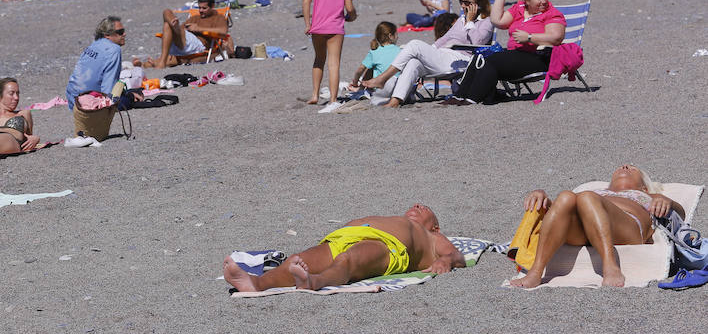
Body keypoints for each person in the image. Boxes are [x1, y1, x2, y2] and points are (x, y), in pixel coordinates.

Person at [509, 165, 684, 288]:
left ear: (644, 186)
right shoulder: (597, 192)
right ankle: (536, 271)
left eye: (633, 169)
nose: (624, 167)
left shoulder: (648, 195)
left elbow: (681, 214)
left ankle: (610, 265)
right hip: (586, 227)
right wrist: (543, 199)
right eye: (620, 167)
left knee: (586, 197)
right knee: (565, 197)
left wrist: (667, 201)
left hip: (627, 228)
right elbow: (562, 212)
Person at [222, 204, 466, 292]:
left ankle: (314, 282)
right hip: (346, 236)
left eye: (424, 207)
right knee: (297, 259)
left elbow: (456, 255)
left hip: (389, 246)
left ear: (435, 226)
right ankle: (256, 284)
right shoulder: (397, 219)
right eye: (416, 204)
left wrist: (445, 261)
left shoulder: (431, 235)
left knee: (349, 261)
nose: (416, 205)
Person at [365, 0, 492, 107]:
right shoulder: (461, 19)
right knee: (414, 62)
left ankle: (383, 78)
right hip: (444, 56)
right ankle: (395, 101)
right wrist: (429, 50)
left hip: (463, 60)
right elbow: (445, 38)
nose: (463, 5)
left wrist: (470, 22)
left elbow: (478, 42)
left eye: (467, 3)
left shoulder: (487, 22)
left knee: (415, 44)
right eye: (461, 1)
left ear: (479, 4)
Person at [443, 0, 565, 105]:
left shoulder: (551, 13)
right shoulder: (520, 8)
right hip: (515, 55)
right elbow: (497, 21)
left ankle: (473, 98)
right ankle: (460, 95)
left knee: (491, 61)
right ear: (527, 0)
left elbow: (556, 37)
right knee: (478, 58)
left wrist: (529, 37)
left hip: (537, 58)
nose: (544, 1)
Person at [66, 17, 140, 143]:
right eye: (120, 32)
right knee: (130, 97)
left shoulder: (94, 44)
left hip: (72, 97)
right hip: (88, 104)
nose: (124, 34)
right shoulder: (114, 50)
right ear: (107, 35)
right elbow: (108, 89)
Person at [303, 0, 357, 110]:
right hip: (335, 27)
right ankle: (333, 98)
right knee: (334, 64)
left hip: (317, 27)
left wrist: (308, 23)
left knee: (319, 59)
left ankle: (314, 94)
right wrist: (352, 16)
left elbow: (306, 2)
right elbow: (350, 8)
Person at [146, 0, 230, 68]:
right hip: (184, 42)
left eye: (204, 8)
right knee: (167, 12)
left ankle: (161, 61)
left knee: (169, 26)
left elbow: (223, 31)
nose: (201, 10)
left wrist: (198, 29)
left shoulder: (219, 18)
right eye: (199, 7)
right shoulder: (195, 17)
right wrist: (184, 29)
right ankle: (142, 64)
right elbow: (182, 30)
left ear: (212, 6)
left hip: (198, 44)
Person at [347, 21, 400, 105]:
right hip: (398, 88)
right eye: (396, 34)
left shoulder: (374, 52)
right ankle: (361, 89)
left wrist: (355, 82)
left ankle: (360, 89)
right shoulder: (400, 51)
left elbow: (360, 69)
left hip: (381, 89)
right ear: (390, 36)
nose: (398, 37)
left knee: (371, 67)